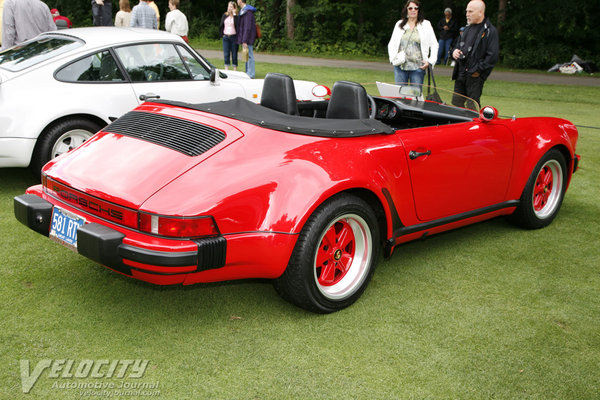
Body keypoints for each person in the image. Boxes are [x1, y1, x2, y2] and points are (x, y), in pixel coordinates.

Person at [451, 0, 499, 109]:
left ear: (480, 12)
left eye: (470, 11)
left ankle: (474, 125)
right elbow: (457, 46)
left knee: (472, 106)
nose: (467, 14)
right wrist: (454, 52)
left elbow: (492, 57)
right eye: (467, 11)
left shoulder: (490, 31)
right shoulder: (467, 28)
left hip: (475, 76)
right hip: (461, 73)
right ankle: (457, 126)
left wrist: (477, 71)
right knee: (456, 104)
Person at [387, 0, 438, 88]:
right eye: (410, 8)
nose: (413, 10)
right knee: (400, 96)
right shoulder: (399, 24)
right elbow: (392, 44)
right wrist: (393, 59)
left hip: (418, 67)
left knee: (415, 97)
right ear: (406, 10)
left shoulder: (426, 24)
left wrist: (430, 62)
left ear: (419, 10)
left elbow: (434, 44)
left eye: (416, 8)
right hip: (400, 66)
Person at [236, 0, 257, 79]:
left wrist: (244, 40)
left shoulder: (248, 12)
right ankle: (247, 72)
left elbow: (247, 27)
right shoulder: (243, 11)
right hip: (244, 37)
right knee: (246, 55)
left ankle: (251, 74)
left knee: (250, 55)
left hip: (248, 38)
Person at [220, 1, 239, 71]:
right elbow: (221, 25)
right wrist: (221, 34)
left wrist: (234, 14)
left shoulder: (236, 16)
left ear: (234, 8)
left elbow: (238, 25)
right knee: (226, 53)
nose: (229, 8)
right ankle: (226, 68)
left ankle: (235, 69)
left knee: (234, 54)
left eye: (231, 7)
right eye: (228, 6)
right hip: (226, 37)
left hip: (234, 37)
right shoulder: (225, 15)